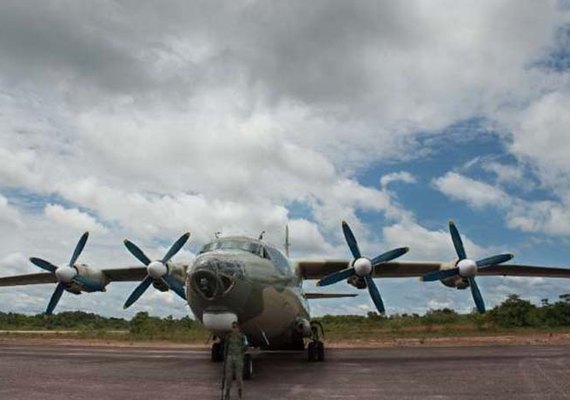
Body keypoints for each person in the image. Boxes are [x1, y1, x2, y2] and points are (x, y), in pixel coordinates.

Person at [223, 321, 248, 399]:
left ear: (238, 328)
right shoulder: (229, 336)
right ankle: (227, 394)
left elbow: (246, 346)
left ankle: (240, 395)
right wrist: (225, 358)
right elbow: (226, 347)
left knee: (238, 377)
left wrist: (241, 352)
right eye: (233, 327)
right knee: (228, 377)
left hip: (238, 358)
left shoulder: (243, 336)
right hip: (230, 358)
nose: (234, 329)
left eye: (235, 327)